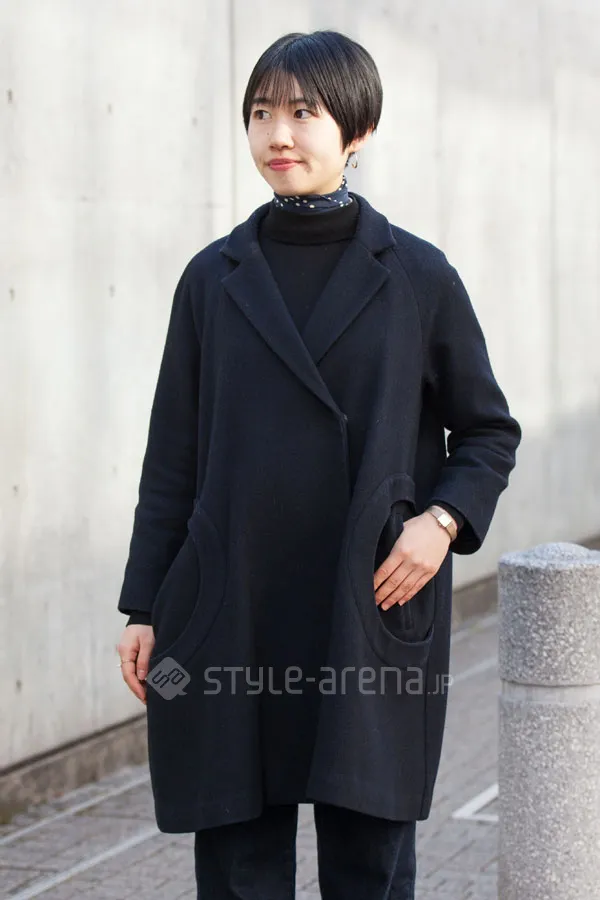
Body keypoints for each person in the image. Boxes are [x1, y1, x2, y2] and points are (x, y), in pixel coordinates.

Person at [116, 29, 521, 899]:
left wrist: (440, 522)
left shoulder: (417, 277)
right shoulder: (212, 279)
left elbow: (488, 432)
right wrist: (145, 605)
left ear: (357, 130)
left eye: (304, 112)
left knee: (369, 860)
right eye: (261, 112)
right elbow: (172, 456)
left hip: (366, 598)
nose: (279, 134)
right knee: (238, 861)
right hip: (233, 605)